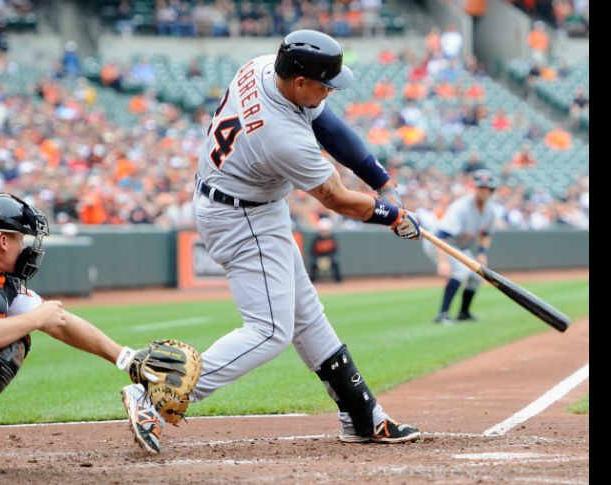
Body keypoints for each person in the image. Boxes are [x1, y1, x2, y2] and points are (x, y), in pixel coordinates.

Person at [121, 29, 422, 453]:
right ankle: (154, 396)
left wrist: (383, 183)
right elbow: (336, 197)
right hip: (241, 215)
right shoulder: (281, 134)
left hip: (244, 200)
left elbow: (331, 128)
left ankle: (361, 414)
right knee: (270, 330)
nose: (330, 93)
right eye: (325, 85)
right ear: (300, 83)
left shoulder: (266, 67)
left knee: (305, 313)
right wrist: (393, 216)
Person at [0, 193, 149, 480]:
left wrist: (128, 359)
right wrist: (33, 320)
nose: (24, 246)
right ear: (3, 241)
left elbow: (60, 322)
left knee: (13, 337)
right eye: (20, 238)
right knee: (7, 343)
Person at [423, 170, 500, 324]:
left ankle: (464, 313)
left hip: (458, 247)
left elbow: (485, 234)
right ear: (475, 188)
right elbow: (441, 236)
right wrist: (443, 261)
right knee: (461, 269)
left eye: (487, 188)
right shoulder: (461, 207)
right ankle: (442, 314)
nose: (484, 191)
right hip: (438, 243)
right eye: (481, 187)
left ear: (492, 191)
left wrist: (482, 253)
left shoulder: (490, 210)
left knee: (478, 275)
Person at [310, 218, 342, 283]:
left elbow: (335, 251)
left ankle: (338, 280)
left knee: (335, 261)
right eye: (323, 231)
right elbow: (312, 252)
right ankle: (312, 280)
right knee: (313, 263)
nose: (325, 233)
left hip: (329, 257)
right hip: (318, 257)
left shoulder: (332, 238)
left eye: (326, 231)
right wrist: (319, 259)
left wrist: (328, 258)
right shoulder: (316, 239)